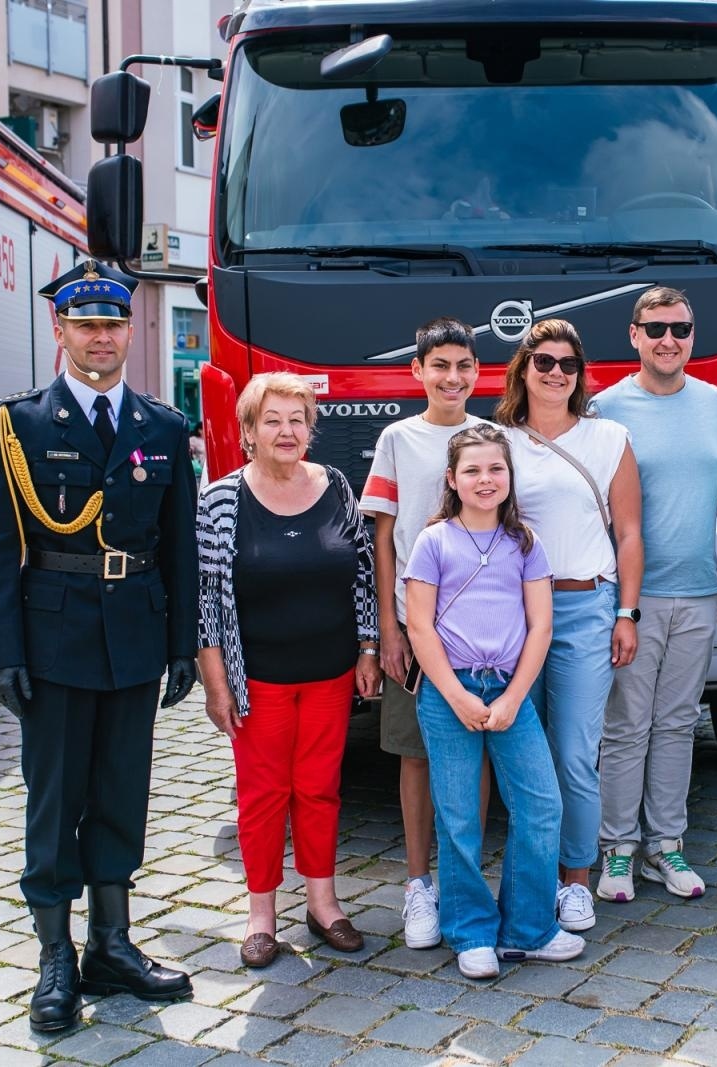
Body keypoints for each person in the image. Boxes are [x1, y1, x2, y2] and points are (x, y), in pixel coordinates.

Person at [0, 261, 198, 1033]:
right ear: (59, 329)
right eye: (86, 324)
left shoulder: (162, 427)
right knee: (55, 799)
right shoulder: (19, 424)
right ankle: (55, 958)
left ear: (130, 331)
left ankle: (111, 943)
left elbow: (179, 546)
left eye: (113, 324)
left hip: (134, 634)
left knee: (121, 791)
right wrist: (0, 652)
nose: (101, 337)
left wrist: (181, 644)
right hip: (54, 638)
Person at [196, 372, 383, 965]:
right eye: (272, 420)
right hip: (259, 678)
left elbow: (361, 573)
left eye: (297, 420)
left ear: (310, 429)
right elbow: (206, 601)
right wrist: (216, 683)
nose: (286, 431)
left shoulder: (335, 485)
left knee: (320, 789)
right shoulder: (221, 500)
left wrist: (369, 647)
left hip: (330, 671)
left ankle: (324, 904)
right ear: (248, 431)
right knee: (263, 795)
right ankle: (261, 915)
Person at [405, 424, 583, 979]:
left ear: (509, 476)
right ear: (452, 479)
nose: (486, 480)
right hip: (449, 690)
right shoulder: (434, 541)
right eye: (473, 470)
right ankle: (471, 931)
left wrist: (513, 697)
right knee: (458, 813)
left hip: (509, 688)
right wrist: (456, 694)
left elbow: (540, 627)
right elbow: (420, 627)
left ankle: (527, 928)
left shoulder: (524, 542)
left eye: (496, 469)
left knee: (541, 804)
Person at [592, 287, 717, 903]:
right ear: (634, 335)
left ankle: (666, 845)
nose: (668, 340)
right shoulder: (605, 408)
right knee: (626, 724)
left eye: (680, 328)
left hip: (699, 590)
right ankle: (617, 848)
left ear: (692, 335)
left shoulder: (716, 404)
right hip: (634, 596)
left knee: (679, 723)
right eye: (655, 328)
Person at [495, 318, 644, 935]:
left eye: (568, 364)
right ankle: (533, 879)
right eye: (544, 362)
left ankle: (577, 879)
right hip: (514, 612)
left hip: (587, 606)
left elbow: (629, 533)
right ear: (523, 369)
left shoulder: (608, 437)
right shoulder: (497, 440)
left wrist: (627, 613)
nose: (556, 373)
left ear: (580, 374)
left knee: (576, 754)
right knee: (521, 753)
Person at [361, 317, 488, 951]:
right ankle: (418, 883)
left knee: (477, 751)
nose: (452, 377)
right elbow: (384, 540)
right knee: (416, 754)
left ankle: (467, 881)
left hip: (481, 630)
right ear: (418, 371)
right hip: (416, 627)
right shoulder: (398, 439)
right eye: (440, 365)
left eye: (463, 365)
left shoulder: (492, 438)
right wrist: (388, 628)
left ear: (477, 372)